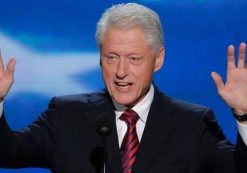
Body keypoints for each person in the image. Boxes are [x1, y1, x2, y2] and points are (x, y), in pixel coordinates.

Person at [0, 2, 247, 173]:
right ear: (100, 57)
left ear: (158, 60)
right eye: (111, 57)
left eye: (133, 59)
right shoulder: (66, 115)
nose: (120, 71)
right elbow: (7, 152)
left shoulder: (193, 124)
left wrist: (244, 116)